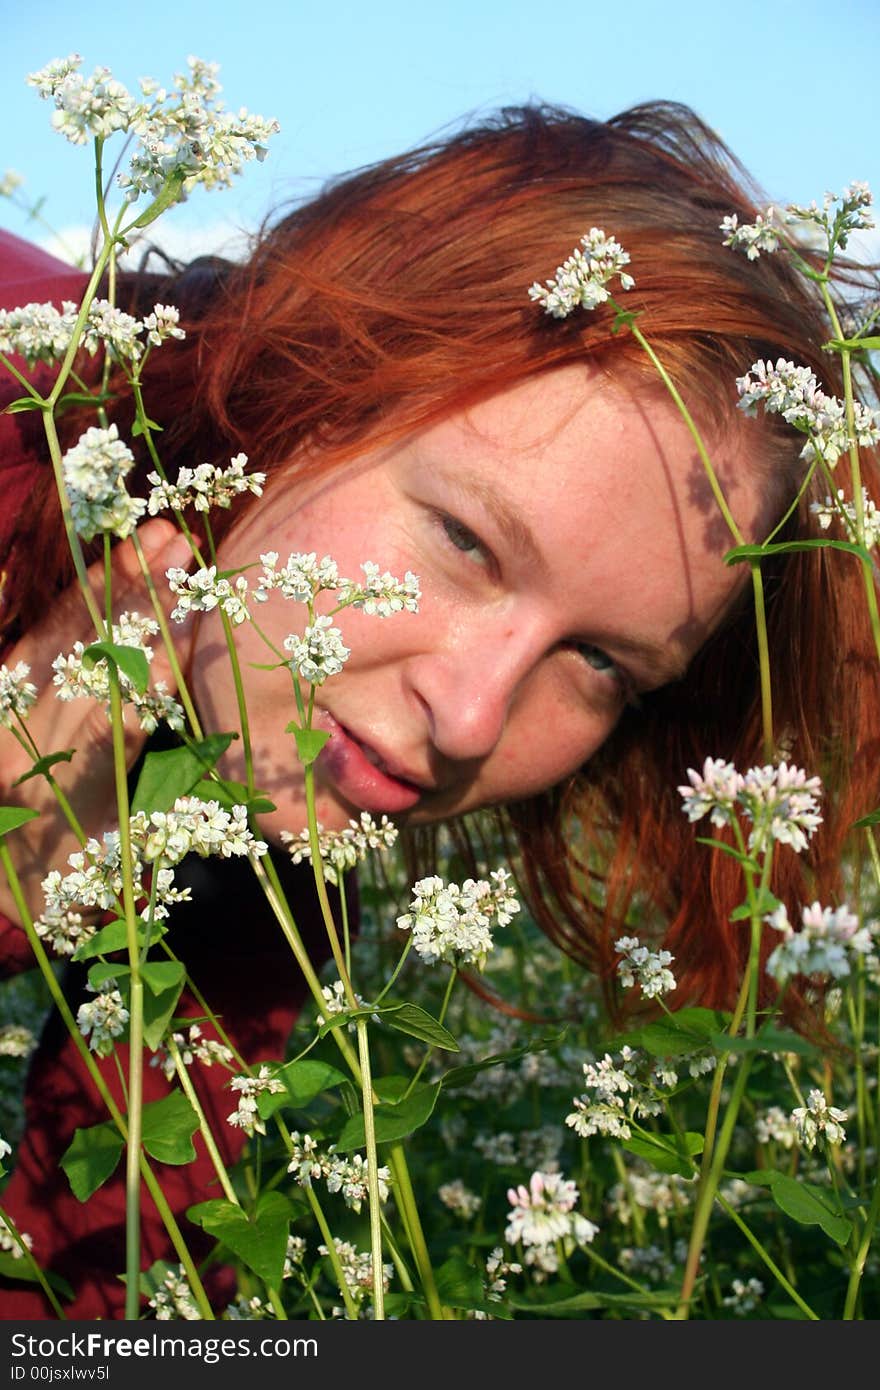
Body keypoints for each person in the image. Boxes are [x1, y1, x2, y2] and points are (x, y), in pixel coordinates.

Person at [0, 99, 878, 1319]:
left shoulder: (279, 859)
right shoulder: (23, 420)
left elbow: (94, 1282)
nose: (468, 719)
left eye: (602, 666)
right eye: (466, 539)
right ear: (308, 391)